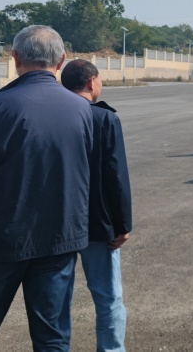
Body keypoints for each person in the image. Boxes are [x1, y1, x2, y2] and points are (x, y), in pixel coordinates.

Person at [0, 25, 93, 351]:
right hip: (59, 237)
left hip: (0, 236)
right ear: (61, 60)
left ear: (14, 58)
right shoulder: (82, 109)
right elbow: (84, 172)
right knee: (52, 337)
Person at [62, 59, 132, 352]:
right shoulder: (105, 119)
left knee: (57, 298)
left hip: (59, 222)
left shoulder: (55, 114)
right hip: (98, 224)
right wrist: (122, 224)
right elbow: (116, 176)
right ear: (92, 82)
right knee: (108, 297)